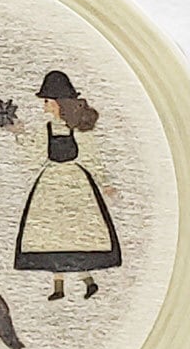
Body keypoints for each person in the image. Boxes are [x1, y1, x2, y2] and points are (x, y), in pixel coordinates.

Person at [14, 70, 121, 300]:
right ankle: (58, 287)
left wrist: (105, 184)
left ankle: (88, 281)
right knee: (54, 234)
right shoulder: (47, 129)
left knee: (77, 234)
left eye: (47, 101)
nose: (44, 106)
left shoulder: (78, 130)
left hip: (75, 183)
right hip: (51, 183)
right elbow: (33, 155)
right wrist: (19, 133)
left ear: (58, 103)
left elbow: (92, 158)